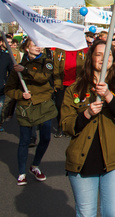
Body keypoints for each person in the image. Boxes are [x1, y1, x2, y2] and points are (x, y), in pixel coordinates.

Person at [61, 40, 115, 217]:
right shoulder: (74, 89)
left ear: (114, 58)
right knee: (86, 213)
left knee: (113, 213)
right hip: (82, 161)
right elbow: (66, 125)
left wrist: (108, 95)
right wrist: (86, 114)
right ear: (91, 58)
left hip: (114, 161)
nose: (104, 59)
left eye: (108, 54)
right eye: (99, 54)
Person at [6, 37, 58, 185]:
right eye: (34, 44)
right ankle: (22, 173)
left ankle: (35, 165)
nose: (38, 47)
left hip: (44, 105)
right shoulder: (18, 66)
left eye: (39, 44)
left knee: (46, 138)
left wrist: (26, 70)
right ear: (27, 48)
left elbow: (43, 78)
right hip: (26, 107)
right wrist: (20, 95)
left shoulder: (46, 62)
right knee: (24, 140)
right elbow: (9, 89)